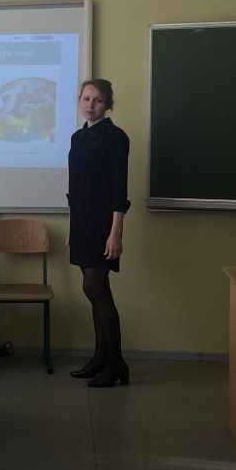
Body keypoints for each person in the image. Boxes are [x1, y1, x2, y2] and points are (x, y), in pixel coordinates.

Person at [67, 79, 130, 388]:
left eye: (98, 100)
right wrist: (72, 227)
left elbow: (119, 189)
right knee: (94, 292)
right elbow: (75, 188)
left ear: (108, 105)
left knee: (96, 289)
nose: (90, 105)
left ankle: (117, 363)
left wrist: (116, 233)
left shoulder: (116, 138)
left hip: (103, 225)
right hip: (82, 224)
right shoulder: (77, 138)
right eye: (86, 98)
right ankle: (100, 358)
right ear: (80, 100)